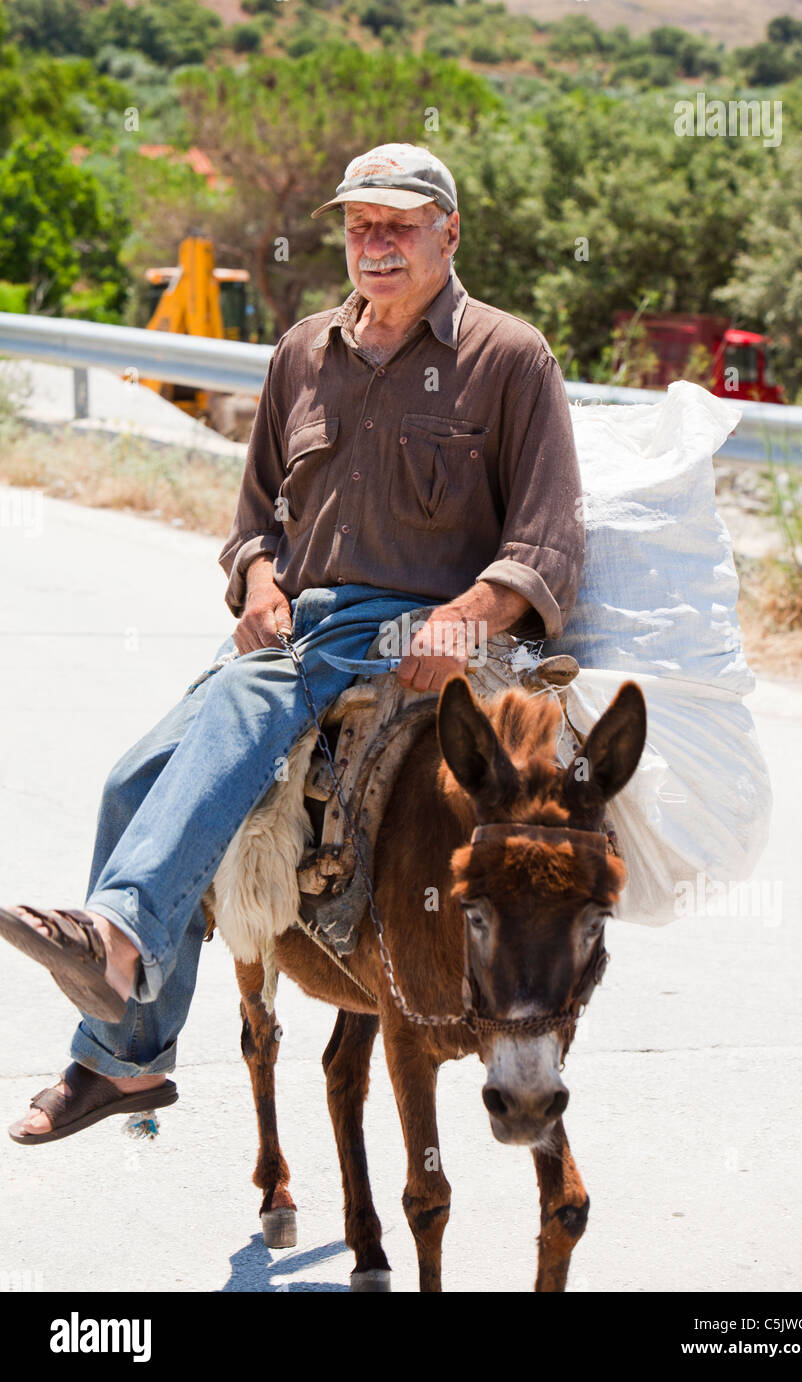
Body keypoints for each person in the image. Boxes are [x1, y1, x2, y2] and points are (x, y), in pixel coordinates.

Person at [0, 142, 584, 1143]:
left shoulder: (506, 356)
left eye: (399, 224)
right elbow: (254, 517)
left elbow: (545, 540)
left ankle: (113, 951)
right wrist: (259, 578)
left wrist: (469, 617)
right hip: (303, 624)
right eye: (359, 225)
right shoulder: (301, 353)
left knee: (234, 708)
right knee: (128, 779)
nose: (376, 243)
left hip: (416, 622)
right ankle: (132, 1062)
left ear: (450, 231)